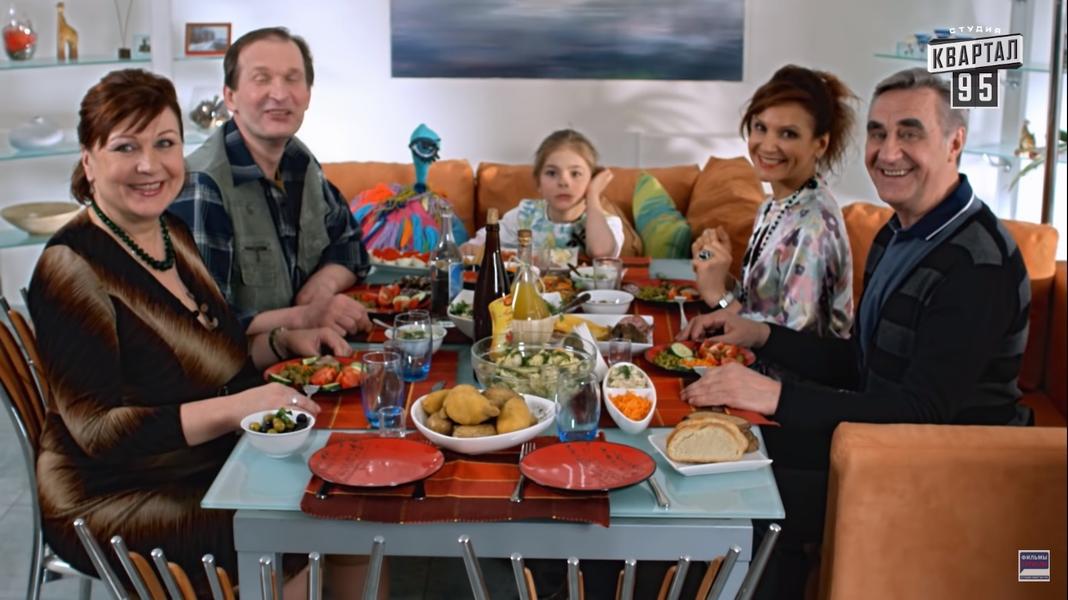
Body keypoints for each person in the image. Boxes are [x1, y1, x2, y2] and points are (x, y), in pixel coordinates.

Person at [677, 68, 1031, 599]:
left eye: (909, 133)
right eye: (878, 133)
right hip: (877, 443)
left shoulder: (977, 266)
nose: (888, 152)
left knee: (734, 492)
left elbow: (920, 415)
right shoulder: (899, 233)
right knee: (712, 458)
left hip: (943, 476)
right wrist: (760, 335)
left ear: (955, 142)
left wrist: (776, 395)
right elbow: (861, 363)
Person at [27, 69, 353, 597]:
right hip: (111, 494)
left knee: (349, 503)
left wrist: (282, 343)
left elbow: (216, 351)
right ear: (89, 160)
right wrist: (236, 408)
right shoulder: (72, 265)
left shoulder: (170, 232)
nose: (149, 164)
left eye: (165, 143)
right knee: (299, 523)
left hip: (203, 460)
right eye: (125, 147)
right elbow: (100, 433)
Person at [170, 27, 371, 337]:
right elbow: (204, 322)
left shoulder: (300, 161)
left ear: (308, 95)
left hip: (313, 353)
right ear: (230, 97)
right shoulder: (203, 186)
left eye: (292, 78)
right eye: (261, 78)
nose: (279, 93)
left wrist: (323, 285)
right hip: (244, 366)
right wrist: (305, 317)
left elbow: (351, 247)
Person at [692, 65, 855, 338]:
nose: (767, 146)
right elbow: (759, 309)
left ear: (820, 144)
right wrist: (718, 273)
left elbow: (796, 343)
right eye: (761, 128)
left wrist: (718, 296)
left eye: (788, 133)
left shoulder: (814, 227)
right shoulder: (772, 205)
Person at [461, 129, 638, 259]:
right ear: (538, 182)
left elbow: (601, 253)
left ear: (591, 180)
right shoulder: (524, 215)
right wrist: (470, 248)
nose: (563, 182)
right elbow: (481, 242)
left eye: (575, 173)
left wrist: (592, 196)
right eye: (552, 173)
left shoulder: (606, 222)